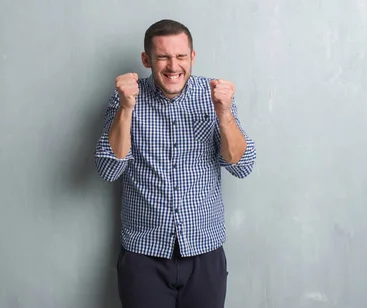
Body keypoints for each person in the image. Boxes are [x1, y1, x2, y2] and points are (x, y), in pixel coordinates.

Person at [93, 19, 256, 308]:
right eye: (163, 57)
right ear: (147, 59)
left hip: (204, 251)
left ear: (192, 57)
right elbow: (109, 169)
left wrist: (225, 115)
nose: (173, 66)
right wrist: (126, 109)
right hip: (144, 254)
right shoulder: (124, 100)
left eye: (181, 56)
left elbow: (241, 166)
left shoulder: (213, 97)